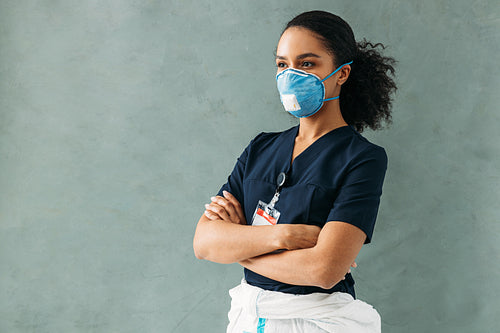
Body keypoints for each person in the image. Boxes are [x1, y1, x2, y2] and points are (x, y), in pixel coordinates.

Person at [193, 10, 397, 333]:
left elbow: (324, 270)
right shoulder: (260, 149)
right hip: (251, 318)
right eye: (282, 64)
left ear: (342, 74)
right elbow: (204, 241)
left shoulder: (362, 159)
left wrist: (241, 249)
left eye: (307, 64)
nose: (290, 75)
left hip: (319, 322)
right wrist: (283, 236)